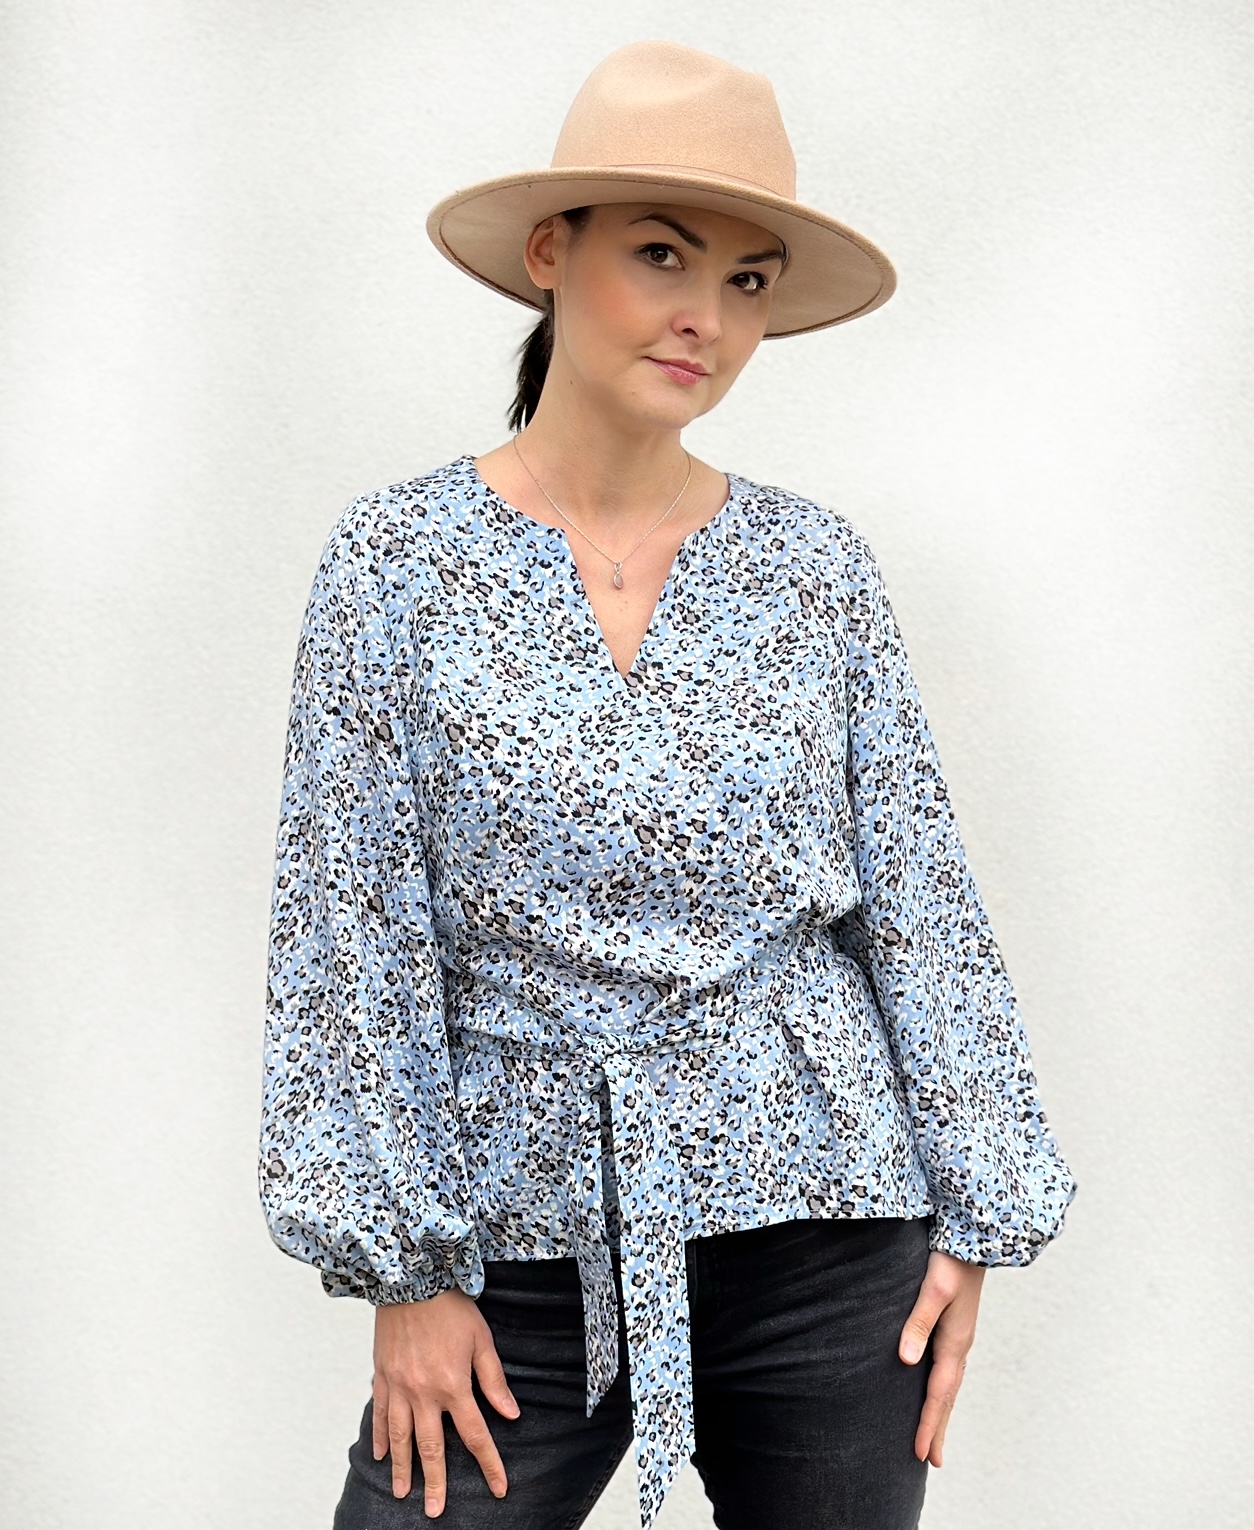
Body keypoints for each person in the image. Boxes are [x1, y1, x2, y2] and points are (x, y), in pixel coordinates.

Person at [259, 39, 1077, 1530]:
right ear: (549, 253)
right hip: (516, 1250)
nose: (707, 314)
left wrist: (977, 1215)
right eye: (660, 254)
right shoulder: (394, 562)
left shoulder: (814, 568)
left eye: (747, 280)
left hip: (824, 1238)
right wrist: (406, 1276)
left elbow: (919, 898)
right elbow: (350, 932)